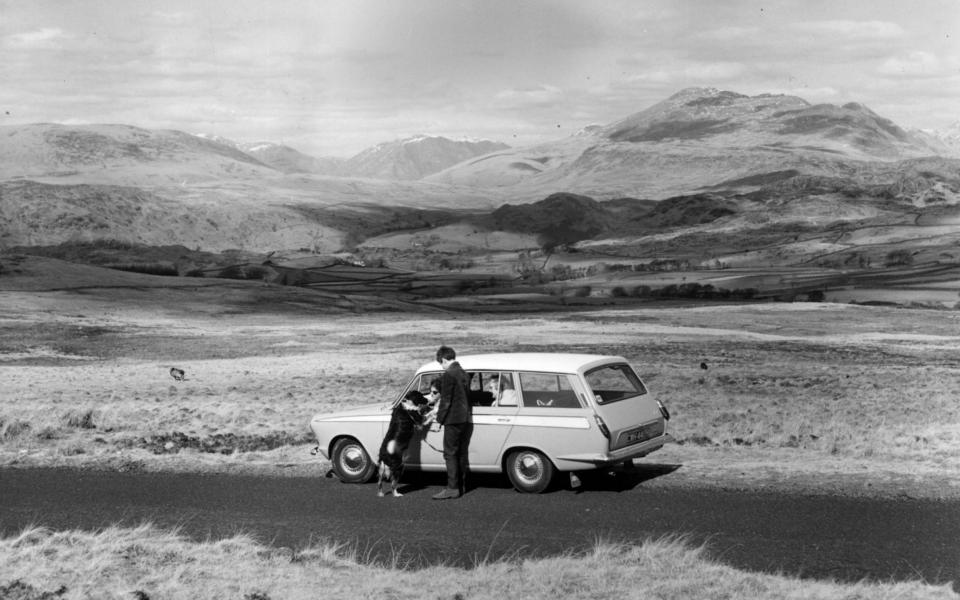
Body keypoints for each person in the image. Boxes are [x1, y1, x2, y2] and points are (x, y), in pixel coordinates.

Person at [432, 345, 471, 499]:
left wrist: (439, 420)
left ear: (443, 360)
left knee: (449, 453)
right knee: (460, 453)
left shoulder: (449, 374)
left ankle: (452, 488)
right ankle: (461, 486)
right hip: (464, 418)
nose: (441, 367)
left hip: (453, 419)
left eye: (441, 364)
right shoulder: (463, 373)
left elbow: (446, 400)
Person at [377, 390, 431, 496]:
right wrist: (431, 415)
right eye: (420, 401)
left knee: (383, 465)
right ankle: (394, 490)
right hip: (398, 447)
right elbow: (421, 424)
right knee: (398, 467)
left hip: (386, 444)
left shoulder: (397, 409)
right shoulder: (413, 413)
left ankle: (380, 490)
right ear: (416, 402)